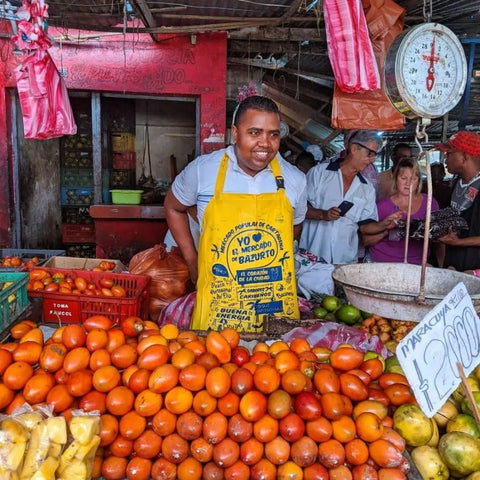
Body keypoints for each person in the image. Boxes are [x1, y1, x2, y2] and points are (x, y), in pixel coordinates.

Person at [164, 95, 307, 331]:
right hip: (220, 301)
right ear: (235, 133)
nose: (265, 143)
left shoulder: (295, 179)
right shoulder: (203, 170)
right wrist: (192, 260)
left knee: (277, 363)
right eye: (254, 132)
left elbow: (295, 227)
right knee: (215, 362)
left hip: (272, 303)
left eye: (273, 134)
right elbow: (173, 207)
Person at [299, 130, 400, 264]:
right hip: (312, 257)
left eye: (375, 155)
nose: (373, 160)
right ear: (354, 149)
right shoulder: (319, 173)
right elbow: (299, 208)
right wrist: (323, 215)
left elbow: (365, 226)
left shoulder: (366, 187)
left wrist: (384, 224)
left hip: (344, 259)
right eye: (370, 154)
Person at [367, 158, 440, 264]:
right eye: (403, 178)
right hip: (384, 261)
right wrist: (387, 230)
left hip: (417, 263)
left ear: (419, 180)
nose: (408, 183)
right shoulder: (383, 206)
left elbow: (438, 238)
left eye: (413, 179)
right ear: (396, 179)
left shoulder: (429, 203)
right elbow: (366, 240)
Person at [436, 131, 480, 271]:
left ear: (465, 157)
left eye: (449, 153)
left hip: (474, 271)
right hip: (453, 266)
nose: (445, 158)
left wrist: (460, 242)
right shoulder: (456, 183)